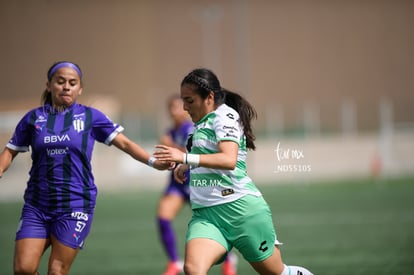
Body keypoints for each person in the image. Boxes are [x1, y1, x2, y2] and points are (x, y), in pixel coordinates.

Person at [0, 61, 171, 275]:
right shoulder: (33, 118)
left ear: (80, 89)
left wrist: (153, 162)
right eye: (60, 81)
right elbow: (9, 151)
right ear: (49, 85)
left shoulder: (91, 117)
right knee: (23, 269)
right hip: (37, 205)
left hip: (75, 205)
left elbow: (126, 144)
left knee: (57, 271)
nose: (66, 86)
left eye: (72, 83)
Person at [153, 68, 313, 275]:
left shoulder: (225, 116)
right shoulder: (200, 122)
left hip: (240, 210)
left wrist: (183, 157)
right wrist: (187, 166)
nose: (184, 107)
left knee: (276, 273)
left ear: (209, 97)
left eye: (189, 100)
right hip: (206, 215)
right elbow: (206, 154)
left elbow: (229, 160)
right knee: (193, 269)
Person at [156, 95, 237, 275]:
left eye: (178, 107)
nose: (175, 111)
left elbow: (195, 151)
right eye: (172, 108)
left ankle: (229, 261)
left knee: (216, 221)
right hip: (177, 183)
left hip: (197, 181)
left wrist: (172, 148)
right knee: (163, 215)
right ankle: (174, 262)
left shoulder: (190, 128)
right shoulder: (170, 131)